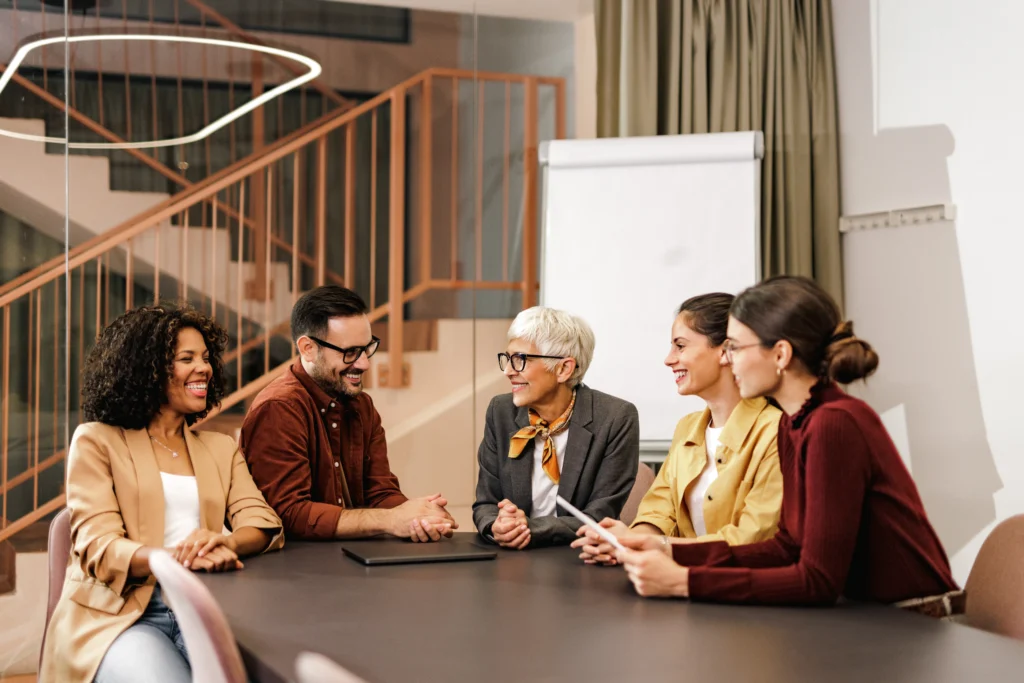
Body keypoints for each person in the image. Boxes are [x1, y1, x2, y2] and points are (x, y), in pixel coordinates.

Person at [612, 276, 960, 614]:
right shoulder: (795, 422)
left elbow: (818, 580)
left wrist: (684, 581)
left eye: (735, 348)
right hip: (863, 615)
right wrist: (667, 549)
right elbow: (786, 547)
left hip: (912, 619)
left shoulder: (833, 423)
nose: (730, 360)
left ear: (780, 355)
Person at [40, 304, 283, 683]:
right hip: (117, 617)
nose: (203, 368)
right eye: (187, 359)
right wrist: (179, 560)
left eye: (206, 358)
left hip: (202, 608)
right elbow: (99, 546)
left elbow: (262, 521)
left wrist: (224, 544)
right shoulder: (96, 441)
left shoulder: (220, 447)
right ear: (148, 370)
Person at [572, 293, 782, 565]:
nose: (669, 359)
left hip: (737, 583)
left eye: (680, 346)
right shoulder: (688, 427)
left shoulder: (776, 431)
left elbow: (751, 539)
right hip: (676, 577)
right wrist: (628, 542)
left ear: (725, 351)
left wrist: (659, 547)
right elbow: (658, 511)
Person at [241, 285, 456, 542]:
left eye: (367, 348)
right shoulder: (279, 408)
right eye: (350, 352)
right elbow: (288, 514)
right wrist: (389, 520)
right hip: (297, 563)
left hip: (353, 556)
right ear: (308, 348)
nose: (364, 363)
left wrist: (420, 516)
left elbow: (380, 492)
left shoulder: (362, 405)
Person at [473, 306, 639, 549]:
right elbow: (486, 503)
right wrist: (497, 525)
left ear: (563, 369)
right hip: (512, 558)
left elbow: (599, 516)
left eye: (520, 360)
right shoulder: (501, 411)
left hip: (578, 556)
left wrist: (530, 528)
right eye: (507, 359)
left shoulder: (615, 417)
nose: (508, 371)